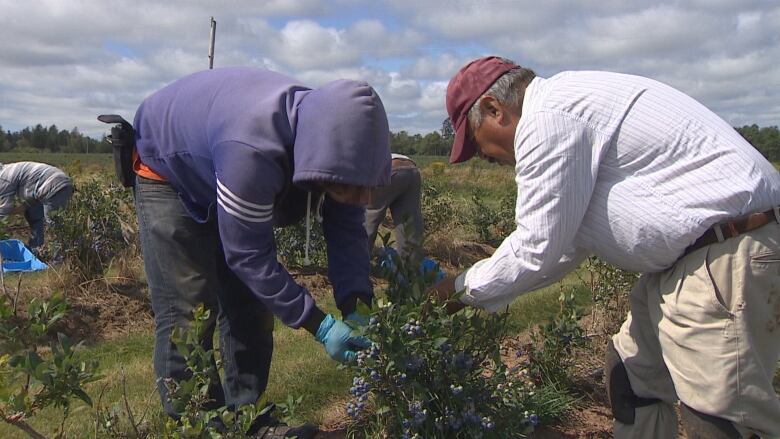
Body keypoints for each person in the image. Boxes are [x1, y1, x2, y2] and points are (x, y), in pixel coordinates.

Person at [429, 56, 780, 438]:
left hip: (723, 253)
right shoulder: (564, 107)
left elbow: (536, 247)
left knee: (723, 414)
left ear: (494, 108)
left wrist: (459, 291)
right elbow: (563, 245)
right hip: (691, 259)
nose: (485, 158)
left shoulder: (546, 118)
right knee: (631, 372)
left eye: (477, 145)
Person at [131, 67, 391, 436]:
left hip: (217, 152)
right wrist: (320, 324)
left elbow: (347, 232)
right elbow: (248, 256)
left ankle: (247, 420)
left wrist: (356, 305)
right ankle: (199, 427)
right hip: (168, 169)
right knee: (188, 312)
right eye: (355, 188)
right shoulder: (252, 150)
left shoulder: (343, 152)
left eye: (370, 187)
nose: (364, 198)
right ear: (323, 159)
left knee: (250, 306)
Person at [0, 161, 73, 249]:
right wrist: (16, 210)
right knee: (33, 214)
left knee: (55, 226)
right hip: (43, 189)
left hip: (54, 185)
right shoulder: (7, 171)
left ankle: (59, 259)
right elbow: (25, 202)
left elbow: (3, 211)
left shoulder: (3, 178)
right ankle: (36, 249)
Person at [364, 153, 424, 258]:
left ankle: (357, 266)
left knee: (368, 218)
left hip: (389, 169)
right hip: (412, 170)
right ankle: (408, 270)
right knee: (409, 225)